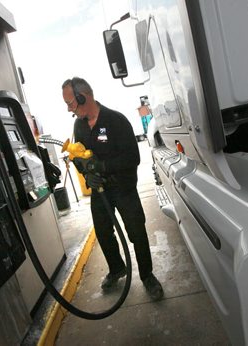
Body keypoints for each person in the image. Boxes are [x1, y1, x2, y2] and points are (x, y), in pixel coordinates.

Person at [62, 77, 164, 300]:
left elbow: (133, 158)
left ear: (83, 97)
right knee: (104, 233)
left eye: (71, 103)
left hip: (123, 189)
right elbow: (79, 156)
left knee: (136, 231)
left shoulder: (116, 120)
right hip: (100, 192)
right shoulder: (79, 125)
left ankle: (147, 276)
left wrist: (102, 166)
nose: (69, 109)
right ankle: (117, 269)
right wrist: (88, 174)